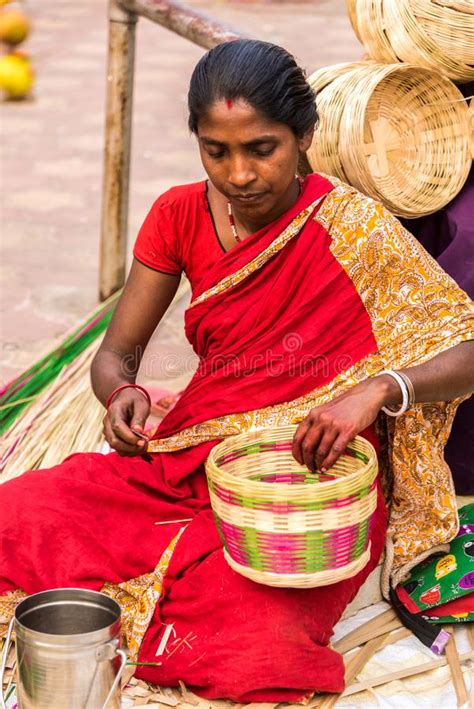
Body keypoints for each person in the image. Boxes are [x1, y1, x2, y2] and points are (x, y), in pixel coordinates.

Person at [0, 40, 473, 702]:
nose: (240, 173)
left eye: (262, 148)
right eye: (216, 151)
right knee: (13, 516)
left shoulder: (352, 226)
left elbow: (466, 344)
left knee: (255, 652)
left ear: (303, 136)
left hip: (307, 490)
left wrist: (377, 390)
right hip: (188, 461)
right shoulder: (177, 214)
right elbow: (116, 354)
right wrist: (123, 394)